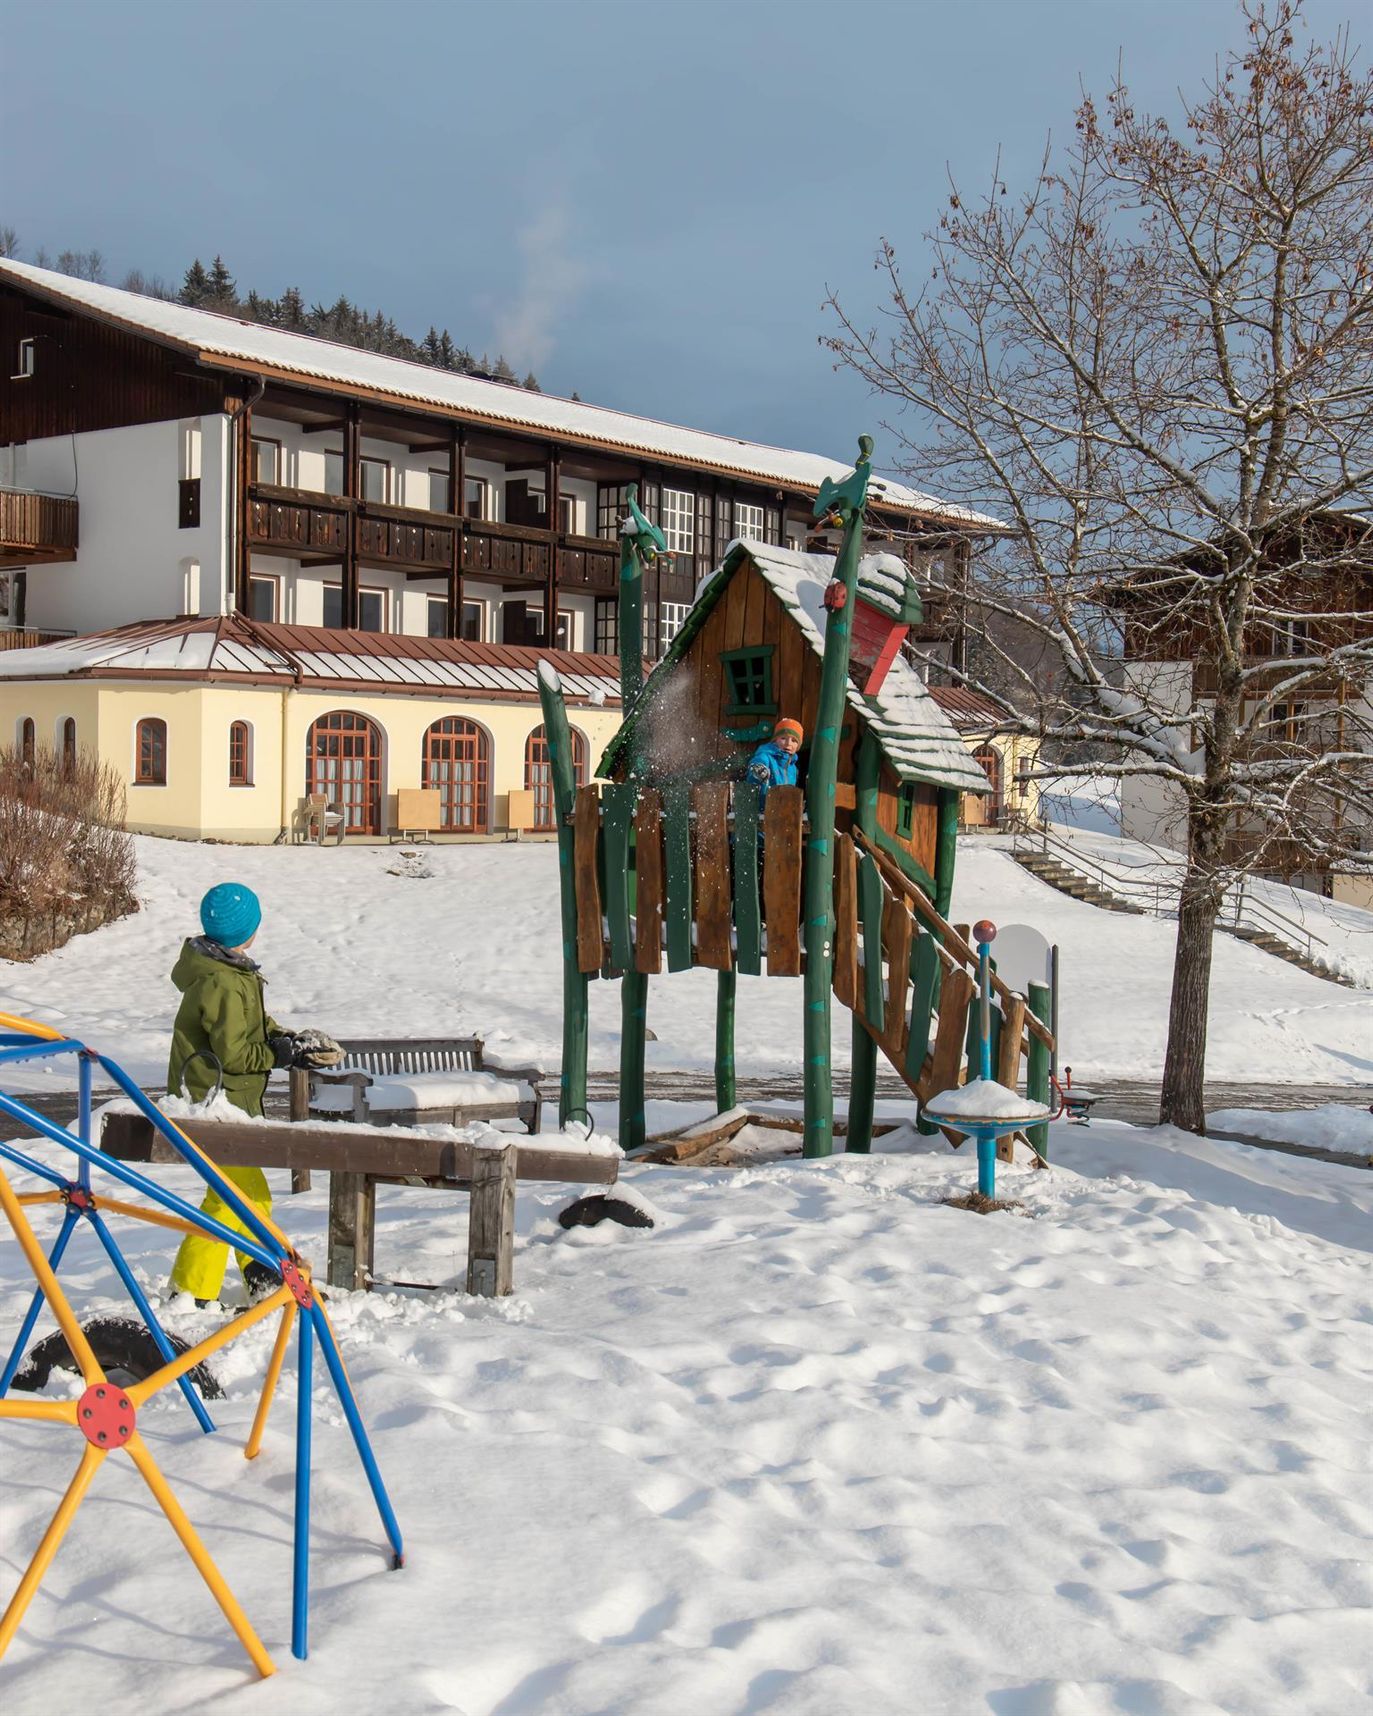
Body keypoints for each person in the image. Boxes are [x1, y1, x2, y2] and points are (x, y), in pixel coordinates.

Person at [166, 882, 340, 1307]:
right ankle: (190, 1291)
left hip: (227, 1100)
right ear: (250, 930)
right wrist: (278, 1055)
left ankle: (263, 1278)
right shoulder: (222, 982)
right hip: (215, 1102)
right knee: (232, 1199)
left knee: (247, 1197)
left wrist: (289, 1041)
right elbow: (236, 1053)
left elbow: (253, 1028)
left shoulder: (231, 970)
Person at [746, 717, 803, 806]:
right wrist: (758, 769)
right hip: (763, 809)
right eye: (783, 738)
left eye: (794, 740)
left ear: (798, 746)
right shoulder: (766, 756)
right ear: (775, 740)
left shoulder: (793, 768)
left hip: (783, 811)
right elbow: (758, 762)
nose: (788, 743)